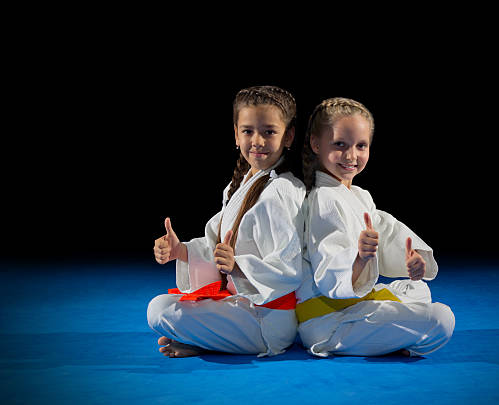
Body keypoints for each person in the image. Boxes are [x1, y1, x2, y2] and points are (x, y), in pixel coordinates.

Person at [147, 86, 306, 358]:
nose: (257, 141)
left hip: (268, 321)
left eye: (269, 131)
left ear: (288, 135)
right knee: (160, 305)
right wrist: (181, 251)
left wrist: (238, 266)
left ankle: (207, 340)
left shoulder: (283, 190)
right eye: (248, 131)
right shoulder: (242, 184)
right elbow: (217, 246)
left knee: (160, 310)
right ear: (235, 134)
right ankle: (209, 339)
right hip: (242, 306)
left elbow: (289, 270)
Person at [296, 97, 455, 357]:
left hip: (354, 307)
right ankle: (388, 341)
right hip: (328, 320)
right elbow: (328, 264)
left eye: (361, 145)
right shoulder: (321, 198)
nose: (351, 156)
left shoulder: (359, 195)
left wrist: (410, 259)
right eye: (340, 145)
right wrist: (358, 259)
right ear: (316, 144)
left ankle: (386, 337)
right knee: (441, 319)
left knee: (417, 289)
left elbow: (387, 232)